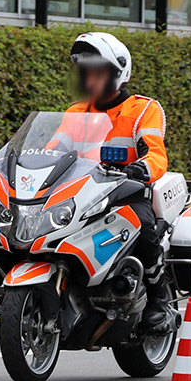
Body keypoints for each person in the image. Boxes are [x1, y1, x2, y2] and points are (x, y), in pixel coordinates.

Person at [66, 32, 173, 332]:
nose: (90, 80)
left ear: (117, 73)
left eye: (98, 72)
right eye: (86, 72)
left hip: (126, 190)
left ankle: (158, 297)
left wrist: (140, 169)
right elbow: (53, 149)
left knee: (142, 224)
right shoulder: (76, 111)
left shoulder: (142, 109)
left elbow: (155, 153)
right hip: (82, 194)